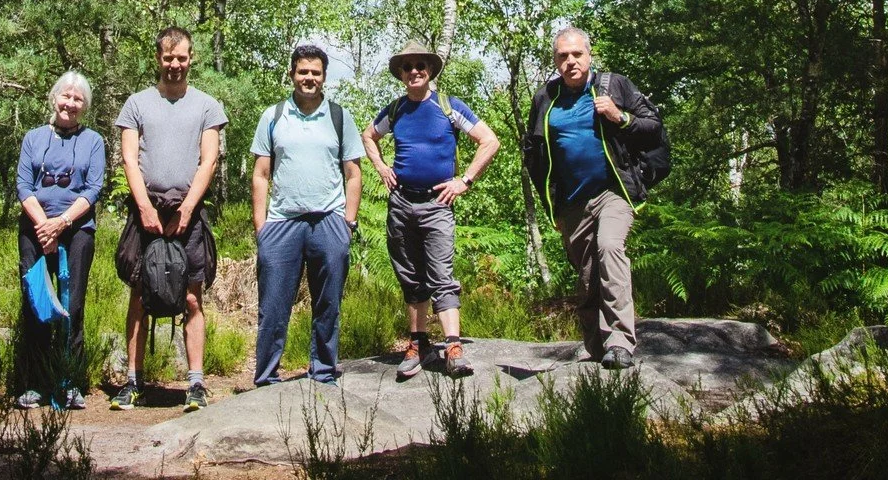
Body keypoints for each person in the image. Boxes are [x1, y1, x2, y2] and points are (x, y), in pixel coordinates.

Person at [522, 27, 665, 370]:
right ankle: (596, 345)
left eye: (576, 54)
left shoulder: (614, 86)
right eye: (562, 56)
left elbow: (653, 126)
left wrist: (621, 117)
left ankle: (620, 341)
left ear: (589, 56)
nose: (570, 61)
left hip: (613, 192)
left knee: (610, 247)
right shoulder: (546, 97)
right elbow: (534, 153)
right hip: (572, 202)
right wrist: (552, 206)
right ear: (555, 61)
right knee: (587, 275)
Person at [363, 46, 499, 382]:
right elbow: (368, 135)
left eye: (419, 66)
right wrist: (381, 166)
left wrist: (464, 180)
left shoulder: (449, 107)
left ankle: (453, 347)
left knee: (441, 272)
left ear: (430, 70)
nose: (413, 72)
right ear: (401, 74)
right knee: (410, 273)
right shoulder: (396, 110)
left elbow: (489, 141)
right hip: (402, 202)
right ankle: (419, 343)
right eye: (407, 67)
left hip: (438, 204)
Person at [110, 26, 227, 413]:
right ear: (158, 59)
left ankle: (195, 384)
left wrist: (188, 209)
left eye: (181, 58)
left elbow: (208, 159)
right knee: (140, 293)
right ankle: (132, 381)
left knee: (192, 296)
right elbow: (129, 157)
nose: (174, 65)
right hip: (145, 211)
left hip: (188, 214)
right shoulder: (137, 104)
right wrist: (143, 207)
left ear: (191, 59)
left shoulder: (207, 105)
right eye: (168, 58)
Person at [250, 43, 364, 386]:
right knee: (272, 307)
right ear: (292, 74)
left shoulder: (340, 117)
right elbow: (260, 174)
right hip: (282, 222)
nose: (309, 78)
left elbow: (354, 174)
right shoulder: (273, 116)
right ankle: (266, 377)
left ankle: (323, 372)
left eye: (315, 73)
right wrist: (262, 228)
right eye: (303, 72)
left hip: (329, 220)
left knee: (328, 304)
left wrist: (348, 223)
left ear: (324, 77)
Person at [14, 71, 106, 410]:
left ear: (85, 106)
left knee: (73, 306)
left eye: (78, 99)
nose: (70, 104)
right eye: (66, 97)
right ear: (54, 98)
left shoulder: (94, 141)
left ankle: (69, 381)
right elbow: (24, 185)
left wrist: (63, 223)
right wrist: (44, 226)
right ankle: (34, 384)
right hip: (34, 229)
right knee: (37, 304)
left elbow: (94, 188)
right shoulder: (34, 138)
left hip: (78, 230)